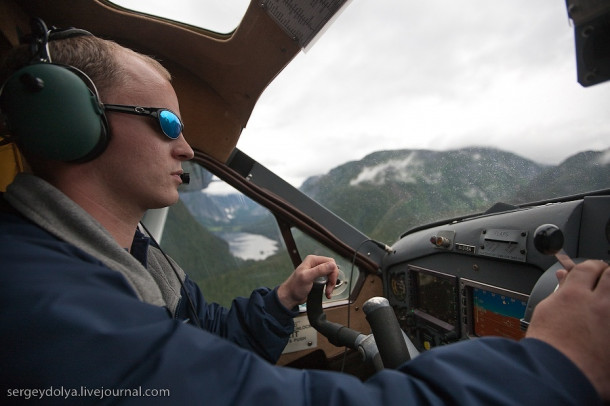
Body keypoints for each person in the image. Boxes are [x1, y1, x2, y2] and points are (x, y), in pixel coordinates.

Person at [0, 23, 608, 406]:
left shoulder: (131, 257)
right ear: (74, 121)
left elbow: (197, 338)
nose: (185, 148)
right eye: (166, 124)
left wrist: (283, 298)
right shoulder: (35, 302)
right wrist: (558, 363)